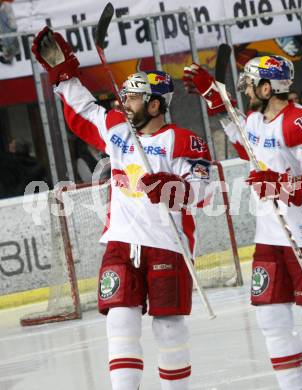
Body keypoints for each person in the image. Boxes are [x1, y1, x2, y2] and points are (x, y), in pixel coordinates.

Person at [31, 27, 212, 390]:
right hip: (121, 241)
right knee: (119, 322)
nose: (123, 104)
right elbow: (83, 108)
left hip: (167, 244)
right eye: (124, 97)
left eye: (132, 99)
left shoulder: (184, 141)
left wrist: (172, 187)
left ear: (155, 105)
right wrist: (63, 73)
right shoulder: (117, 129)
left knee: (169, 328)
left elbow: (203, 191)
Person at [184, 55, 302, 390]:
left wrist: (284, 186)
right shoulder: (257, 121)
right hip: (271, 235)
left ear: (268, 87)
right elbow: (243, 136)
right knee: (270, 317)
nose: (246, 90)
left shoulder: (300, 122)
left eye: (251, 84)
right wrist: (214, 97)